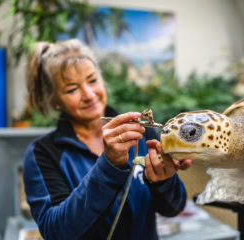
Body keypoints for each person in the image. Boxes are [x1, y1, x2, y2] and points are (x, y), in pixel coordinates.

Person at [23, 39, 192, 240]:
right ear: (55, 100)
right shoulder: (43, 153)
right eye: (71, 89)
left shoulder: (143, 134)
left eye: (93, 80)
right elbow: (56, 232)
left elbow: (174, 208)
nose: (89, 95)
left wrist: (163, 180)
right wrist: (108, 166)